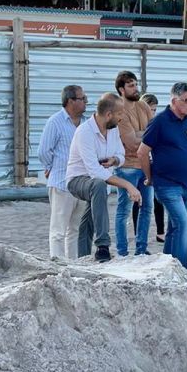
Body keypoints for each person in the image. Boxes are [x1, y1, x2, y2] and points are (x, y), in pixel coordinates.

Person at [66, 93, 141, 262]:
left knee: (88, 221)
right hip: (77, 180)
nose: (122, 117)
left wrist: (115, 160)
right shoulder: (84, 132)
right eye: (120, 113)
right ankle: (103, 246)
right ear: (108, 115)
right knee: (98, 185)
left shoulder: (113, 129)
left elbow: (121, 155)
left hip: (98, 184)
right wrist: (128, 185)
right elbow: (95, 171)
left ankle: (83, 259)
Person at [138, 82, 187, 269]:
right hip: (167, 184)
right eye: (186, 100)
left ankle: (167, 268)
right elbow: (142, 152)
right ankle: (183, 271)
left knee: (174, 228)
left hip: (186, 184)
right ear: (174, 100)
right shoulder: (159, 122)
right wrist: (150, 178)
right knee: (183, 224)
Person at [37, 84, 88, 260]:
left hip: (81, 184)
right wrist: (50, 167)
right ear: (70, 101)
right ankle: (57, 264)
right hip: (61, 183)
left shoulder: (86, 123)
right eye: (82, 98)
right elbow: (44, 151)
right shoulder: (55, 122)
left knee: (75, 230)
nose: (86, 101)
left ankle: (72, 264)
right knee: (58, 230)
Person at [114, 70, 154, 256]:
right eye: (131, 85)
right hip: (127, 167)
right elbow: (130, 142)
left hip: (146, 164)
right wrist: (145, 135)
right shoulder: (119, 111)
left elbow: (155, 132)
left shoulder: (143, 106)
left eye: (136, 84)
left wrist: (140, 134)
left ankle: (141, 249)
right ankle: (122, 252)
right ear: (121, 89)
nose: (136, 88)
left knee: (147, 208)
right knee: (124, 210)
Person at [132, 94, 166, 242]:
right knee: (138, 200)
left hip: (153, 163)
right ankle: (137, 232)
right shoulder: (136, 122)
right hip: (137, 165)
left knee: (158, 199)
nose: (151, 113)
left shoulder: (156, 123)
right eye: (149, 109)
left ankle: (160, 232)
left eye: (154, 110)